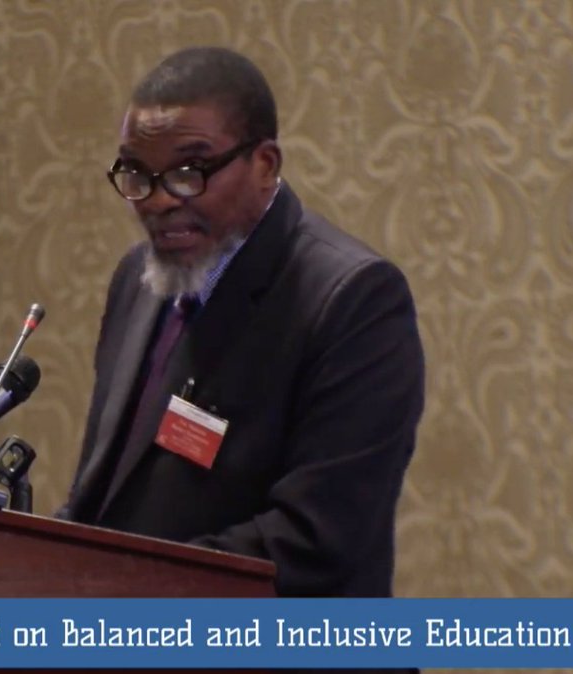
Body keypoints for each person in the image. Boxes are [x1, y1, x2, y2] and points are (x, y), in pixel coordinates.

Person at [57, 47, 425, 598]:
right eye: (136, 173)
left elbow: (313, 542)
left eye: (188, 172)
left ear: (265, 165)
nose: (157, 201)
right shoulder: (137, 278)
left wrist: (124, 592)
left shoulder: (354, 299)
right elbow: (104, 491)